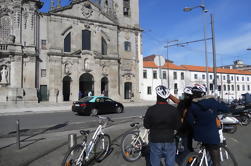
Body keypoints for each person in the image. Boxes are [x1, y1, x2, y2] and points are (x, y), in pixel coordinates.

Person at [186, 84, 230, 166]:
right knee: (216, 161)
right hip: (212, 136)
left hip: (198, 134)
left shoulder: (192, 105)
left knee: (204, 144)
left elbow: (189, 121)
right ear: (203, 93)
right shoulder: (212, 102)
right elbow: (226, 109)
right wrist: (221, 104)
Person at [144, 85, 180, 166]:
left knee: (155, 162)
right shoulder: (173, 110)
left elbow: (146, 125)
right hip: (169, 139)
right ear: (167, 98)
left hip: (155, 139)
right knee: (170, 162)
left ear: (157, 96)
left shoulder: (151, 109)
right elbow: (177, 126)